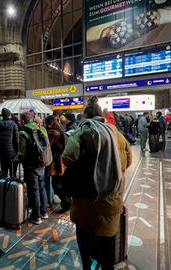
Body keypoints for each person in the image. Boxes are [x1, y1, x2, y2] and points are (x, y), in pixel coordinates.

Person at [62, 96, 131, 270]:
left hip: (87, 202)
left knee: (85, 243)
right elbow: (129, 160)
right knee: (108, 246)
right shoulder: (117, 134)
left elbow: (68, 157)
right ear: (102, 115)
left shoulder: (83, 131)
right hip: (111, 198)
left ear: (84, 116)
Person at [17, 112, 49, 225]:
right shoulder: (42, 129)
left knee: (34, 189)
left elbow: (22, 152)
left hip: (31, 165)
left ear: (22, 121)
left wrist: (17, 159)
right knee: (42, 187)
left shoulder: (23, 132)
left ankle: (36, 216)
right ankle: (44, 212)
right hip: (42, 163)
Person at [45, 115, 70, 213]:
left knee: (56, 185)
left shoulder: (52, 133)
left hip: (55, 162)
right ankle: (67, 203)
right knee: (61, 184)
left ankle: (66, 204)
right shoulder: (62, 131)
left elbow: (47, 148)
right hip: (63, 162)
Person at [0, 108, 19, 177]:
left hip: (1, 153)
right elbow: (16, 140)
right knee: (13, 173)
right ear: (10, 115)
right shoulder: (14, 124)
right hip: (12, 153)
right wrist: (17, 151)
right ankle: (12, 186)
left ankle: (4, 186)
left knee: (3, 172)